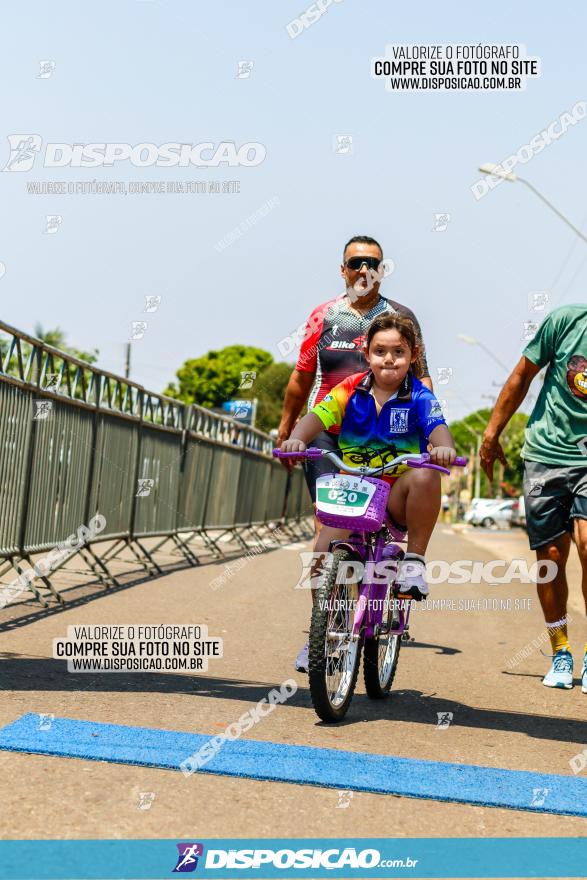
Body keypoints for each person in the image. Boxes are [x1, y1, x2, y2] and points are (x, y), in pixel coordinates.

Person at [277, 235, 433, 670]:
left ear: (382, 270)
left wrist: (427, 438)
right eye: (355, 263)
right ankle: (323, 630)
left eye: (373, 264)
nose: (364, 270)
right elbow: (301, 375)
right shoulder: (323, 316)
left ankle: (379, 588)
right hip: (329, 429)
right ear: (342, 269)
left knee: (378, 524)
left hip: (384, 433)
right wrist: (289, 430)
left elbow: (423, 381)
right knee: (330, 527)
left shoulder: (400, 318)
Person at [480, 303, 587, 692]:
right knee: (551, 560)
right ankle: (561, 650)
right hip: (546, 455)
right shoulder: (564, 321)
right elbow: (522, 375)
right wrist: (492, 434)